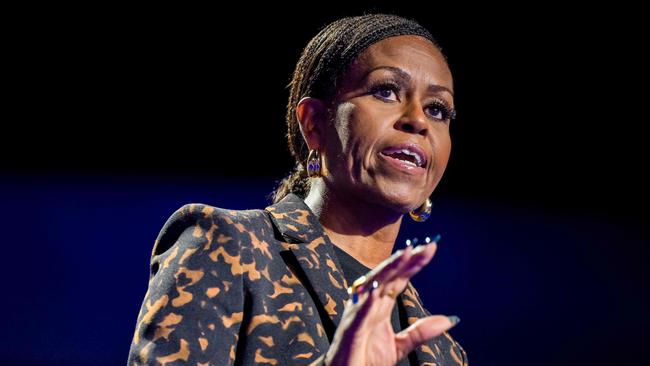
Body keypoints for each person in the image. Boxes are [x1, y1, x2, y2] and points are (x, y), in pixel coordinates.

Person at [128, 14, 467, 366]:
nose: (418, 120)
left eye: (438, 109)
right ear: (314, 123)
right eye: (385, 91)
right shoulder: (230, 248)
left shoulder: (443, 352)